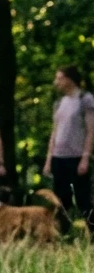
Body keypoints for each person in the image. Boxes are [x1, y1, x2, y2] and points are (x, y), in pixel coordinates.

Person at [43, 65, 94, 234]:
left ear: (69, 79)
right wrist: (49, 159)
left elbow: (91, 130)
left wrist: (85, 157)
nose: (56, 82)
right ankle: (63, 233)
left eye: (59, 78)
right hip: (59, 157)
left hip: (77, 157)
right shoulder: (59, 103)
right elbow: (54, 132)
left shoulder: (85, 99)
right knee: (60, 199)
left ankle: (92, 232)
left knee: (83, 198)